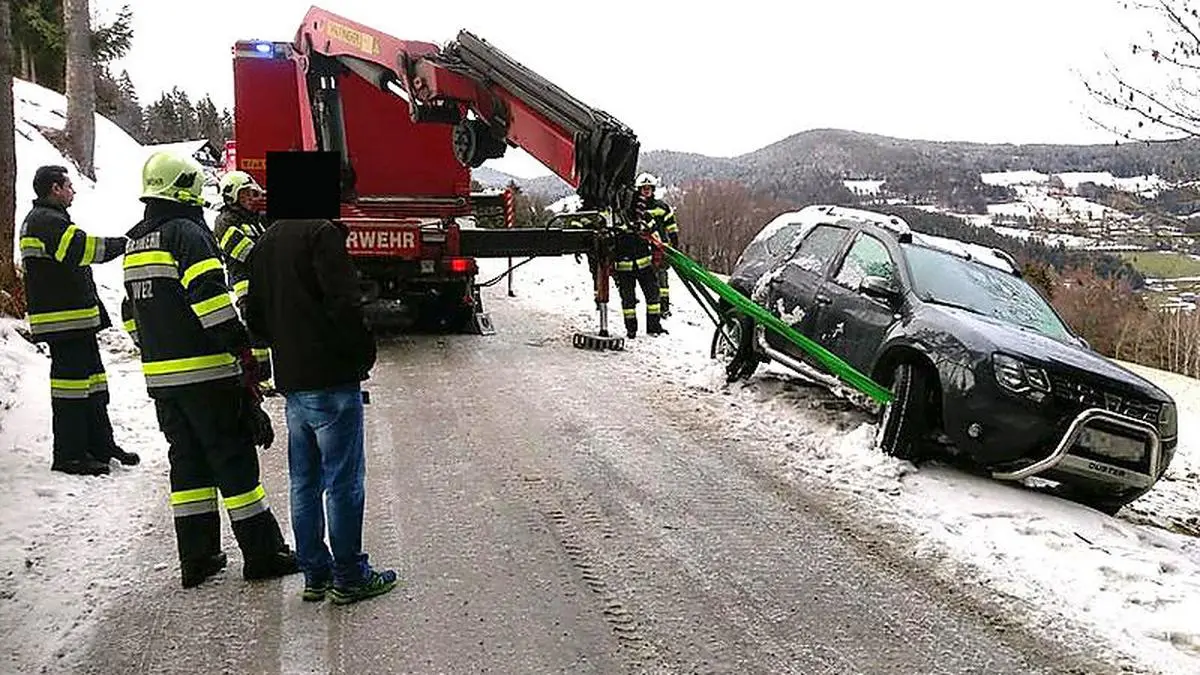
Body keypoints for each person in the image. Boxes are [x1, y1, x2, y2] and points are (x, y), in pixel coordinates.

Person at [119, 150, 299, 589]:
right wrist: (240, 347)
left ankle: (197, 558)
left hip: (163, 380)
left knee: (189, 467)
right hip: (206, 376)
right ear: (187, 187)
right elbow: (210, 301)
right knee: (235, 463)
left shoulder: (136, 241)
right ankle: (263, 553)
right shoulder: (187, 234)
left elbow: (129, 313)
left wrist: (155, 348)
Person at [244, 216, 399, 605]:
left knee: (304, 481)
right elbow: (344, 302)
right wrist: (362, 353)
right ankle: (349, 576)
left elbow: (255, 315)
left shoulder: (266, 241)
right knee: (344, 481)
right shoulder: (322, 234)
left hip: (293, 380)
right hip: (332, 378)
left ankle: (315, 572)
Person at [19, 165, 138, 476]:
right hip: (64, 324)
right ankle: (70, 455)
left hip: (75, 322)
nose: (74, 190)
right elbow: (85, 249)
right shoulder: (45, 221)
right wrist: (126, 242)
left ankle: (100, 444)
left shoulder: (50, 219)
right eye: (69, 185)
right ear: (55, 189)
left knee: (94, 385)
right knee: (71, 390)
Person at [213, 171, 273, 392]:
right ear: (231, 196)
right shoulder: (225, 222)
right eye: (245, 194)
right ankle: (260, 378)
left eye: (251, 193)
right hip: (246, 286)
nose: (251, 198)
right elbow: (248, 253)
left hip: (263, 283)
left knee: (267, 331)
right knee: (256, 334)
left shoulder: (253, 220)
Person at [613, 185, 665, 339]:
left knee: (653, 296)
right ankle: (631, 330)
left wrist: (657, 258)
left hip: (644, 266)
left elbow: (656, 239)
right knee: (628, 301)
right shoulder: (615, 220)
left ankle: (653, 326)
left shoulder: (646, 218)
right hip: (624, 268)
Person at [635, 172, 680, 317]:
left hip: (660, 248)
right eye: (643, 188)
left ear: (653, 189)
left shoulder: (662, 207)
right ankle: (650, 305)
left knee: (662, 278)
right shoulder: (636, 208)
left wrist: (674, 244)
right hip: (641, 249)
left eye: (649, 187)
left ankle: (664, 307)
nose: (646, 190)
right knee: (648, 279)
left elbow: (671, 227)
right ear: (639, 190)